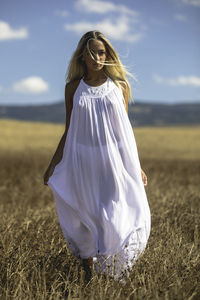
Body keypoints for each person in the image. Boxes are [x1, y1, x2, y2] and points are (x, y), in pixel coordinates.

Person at [43, 30, 151, 283]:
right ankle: (88, 276)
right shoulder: (73, 88)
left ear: (107, 54)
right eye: (91, 52)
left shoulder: (119, 86)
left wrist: (137, 165)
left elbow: (124, 131)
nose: (96, 57)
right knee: (85, 214)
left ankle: (113, 270)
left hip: (112, 161)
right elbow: (69, 129)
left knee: (113, 215)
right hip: (81, 161)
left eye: (101, 52)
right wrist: (53, 163)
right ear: (82, 55)